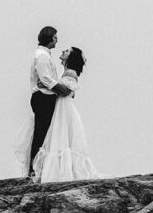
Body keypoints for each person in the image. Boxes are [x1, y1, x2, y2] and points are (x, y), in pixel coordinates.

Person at [31, 47, 100, 183]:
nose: (63, 51)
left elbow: (67, 91)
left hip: (64, 107)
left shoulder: (70, 72)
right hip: (62, 106)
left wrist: (47, 85)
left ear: (71, 57)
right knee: (60, 136)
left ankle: (59, 172)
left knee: (61, 135)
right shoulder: (66, 72)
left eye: (67, 51)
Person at [26, 26, 71, 176]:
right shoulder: (42, 56)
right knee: (41, 132)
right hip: (43, 98)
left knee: (45, 132)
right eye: (55, 37)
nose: (57, 40)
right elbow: (45, 78)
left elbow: (45, 79)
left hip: (45, 96)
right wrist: (60, 88)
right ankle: (34, 168)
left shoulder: (43, 55)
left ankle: (39, 167)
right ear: (49, 37)